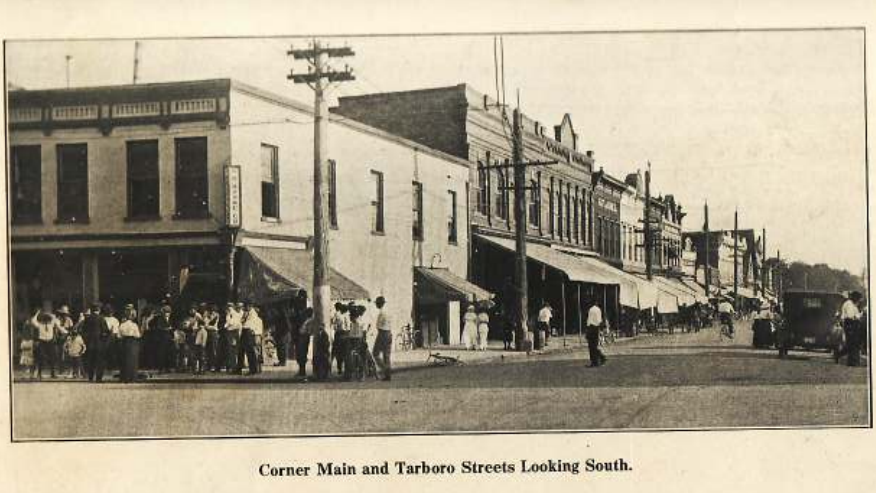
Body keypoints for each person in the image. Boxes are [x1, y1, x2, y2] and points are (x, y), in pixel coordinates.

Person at [30, 301, 61, 379]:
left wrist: (51, 315)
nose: (47, 320)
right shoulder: (40, 325)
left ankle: (53, 373)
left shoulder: (51, 324)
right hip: (42, 342)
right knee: (41, 357)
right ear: (43, 319)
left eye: (48, 318)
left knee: (52, 357)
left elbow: (58, 323)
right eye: (45, 318)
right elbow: (33, 321)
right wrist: (37, 313)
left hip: (50, 342)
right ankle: (39, 373)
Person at [82, 302, 111, 383]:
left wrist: (86, 340)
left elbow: (84, 331)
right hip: (99, 343)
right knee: (100, 361)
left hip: (90, 343)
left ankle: (90, 378)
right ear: (99, 309)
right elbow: (105, 331)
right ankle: (98, 378)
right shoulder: (101, 318)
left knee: (91, 361)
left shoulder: (87, 318)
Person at [838, 291, 864, 367]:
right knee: (852, 343)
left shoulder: (853, 304)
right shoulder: (849, 304)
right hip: (850, 323)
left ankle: (852, 361)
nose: (859, 301)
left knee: (853, 343)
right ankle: (850, 361)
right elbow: (850, 316)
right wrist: (859, 315)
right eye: (858, 299)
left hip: (852, 323)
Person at [371, 296, 393, 381]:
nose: (376, 305)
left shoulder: (381, 313)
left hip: (382, 333)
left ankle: (385, 369)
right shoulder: (388, 311)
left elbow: (378, 326)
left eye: (377, 303)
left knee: (375, 353)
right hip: (389, 333)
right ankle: (388, 375)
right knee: (386, 355)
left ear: (379, 304)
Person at [118, 305, 141, 383]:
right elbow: (138, 335)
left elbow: (119, 335)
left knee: (124, 360)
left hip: (124, 342)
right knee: (133, 360)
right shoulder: (134, 325)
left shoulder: (122, 325)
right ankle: (132, 378)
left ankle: (124, 377)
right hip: (133, 342)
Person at [150, 305, 174, 373]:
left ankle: (167, 368)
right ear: (163, 312)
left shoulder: (171, 319)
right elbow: (156, 326)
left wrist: (172, 334)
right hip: (161, 339)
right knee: (161, 354)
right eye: (166, 311)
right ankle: (161, 368)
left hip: (169, 339)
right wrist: (165, 329)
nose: (167, 313)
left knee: (168, 354)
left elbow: (173, 327)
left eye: (168, 311)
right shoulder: (159, 318)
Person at [240, 303, 263, 375]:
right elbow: (242, 321)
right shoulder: (247, 313)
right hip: (246, 332)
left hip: (249, 332)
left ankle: (253, 369)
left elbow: (248, 325)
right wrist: (244, 317)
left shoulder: (253, 314)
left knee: (251, 352)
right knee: (246, 351)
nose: (245, 308)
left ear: (250, 306)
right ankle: (252, 369)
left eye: (246, 306)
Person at [586, 299, 607, 368]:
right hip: (596, 328)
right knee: (594, 345)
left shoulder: (591, 310)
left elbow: (589, 321)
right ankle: (600, 358)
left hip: (591, 328)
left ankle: (595, 361)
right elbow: (599, 320)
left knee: (591, 346)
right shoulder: (598, 309)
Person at [331, 302, 350, 375]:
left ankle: (340, 369)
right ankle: (344, 369)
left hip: (339, 334)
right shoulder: (347, 316)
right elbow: (348, 327)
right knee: (344, 352)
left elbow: (333, 323)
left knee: (338, 352)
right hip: (345, 333)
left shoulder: (337, 314)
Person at [224, 302, 242, 373]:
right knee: (231, 350)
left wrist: (225, 326)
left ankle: (233, 367)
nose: (229, 308)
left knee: (232, 350)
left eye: (230, 306)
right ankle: (232, 366)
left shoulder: (232, 314)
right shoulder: (231, 313)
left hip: (233, 332)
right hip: (232, 332)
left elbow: (231, 323)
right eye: (228, 306)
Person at [202, 304, 220, 372]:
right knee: (207, 349)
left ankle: (214, 365)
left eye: (213, 310)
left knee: (213, 350)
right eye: (211, 310)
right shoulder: (206, 315)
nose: (212, 312)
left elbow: (212, 325)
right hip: (207, 333)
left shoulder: (216, 316)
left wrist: (207, 324)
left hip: (213, 332)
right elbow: (205, 324)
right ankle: (208, 365)